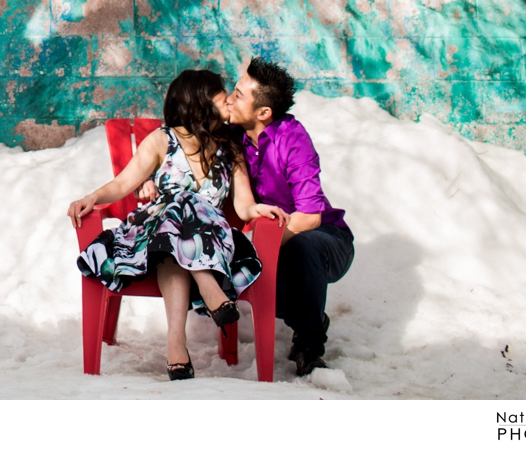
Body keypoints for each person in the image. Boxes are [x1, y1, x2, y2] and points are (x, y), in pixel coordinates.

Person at [67, 69, 287, 380]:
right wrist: (92, 196)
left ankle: (176, 344)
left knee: (185, 212)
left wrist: (259, 209)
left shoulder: (230, 149)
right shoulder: (162, 140)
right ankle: (205, 296)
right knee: (178, 211)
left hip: (211, 240)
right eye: (222, 96)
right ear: (200, 102)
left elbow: (243, 205)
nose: (228, 101)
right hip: (154, 236)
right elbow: (122, 184)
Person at [217, 57, 354, 377]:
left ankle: (309, 347)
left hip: (325, 239)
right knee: (250, 278)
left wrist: (261, 250)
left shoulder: (292, 138)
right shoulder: (233, 136)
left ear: (263, 112)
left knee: (300, 248)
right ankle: (310, 315)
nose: (229, 99)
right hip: (271, 237)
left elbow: (308, 217)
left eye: (238, 95)